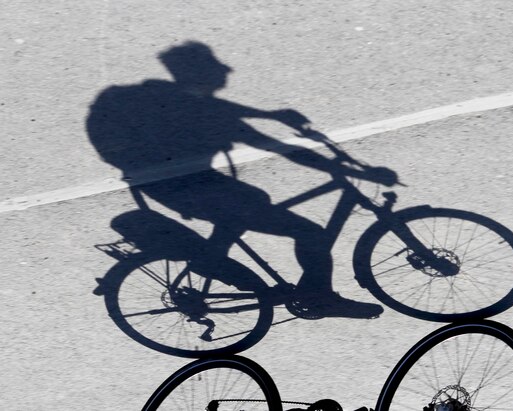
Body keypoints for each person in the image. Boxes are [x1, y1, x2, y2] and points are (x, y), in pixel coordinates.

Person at [87, 41, 396, 318]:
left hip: (169, 184)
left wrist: (272, 115)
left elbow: (219, 109)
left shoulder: (173, 98)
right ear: (202, 73)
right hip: (190, 189)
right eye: (217, 68)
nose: (225, 74)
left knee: (252, 199)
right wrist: (355, 172)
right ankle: (320, 297)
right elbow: (280, 148)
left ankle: (213, 258)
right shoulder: (203, 111)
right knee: (310, 233)